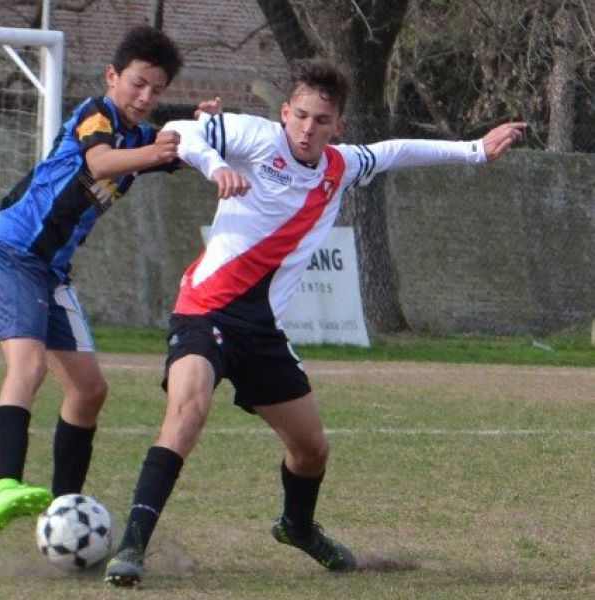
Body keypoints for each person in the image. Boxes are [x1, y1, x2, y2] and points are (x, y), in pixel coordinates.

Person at [103, 59, 527, 587]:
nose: (307, 129)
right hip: (206, 309)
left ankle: (297, 527)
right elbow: (179, 131)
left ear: (337, 127)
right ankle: (132, 548)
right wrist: (215, 166)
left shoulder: (341, 167)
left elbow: (396, 151)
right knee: (188, 414)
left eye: (320, 120)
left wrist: (475, 150)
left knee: (311, 450)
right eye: (300, 116)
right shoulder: (257, 137)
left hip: (262, 332)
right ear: (285, 113)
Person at [0, 25, 187, 532]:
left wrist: (207, 128)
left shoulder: (141, 137)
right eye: (137, 83)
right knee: (28, 369)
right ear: (112, 76)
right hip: (13, 251)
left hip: (51, 271)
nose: (145, 97)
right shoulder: (98, 114)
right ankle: (3, 485)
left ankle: (65, 509)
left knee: (90, 391)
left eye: (157, 90)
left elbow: (182, 148)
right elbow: (100, 161)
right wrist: (161, 152)